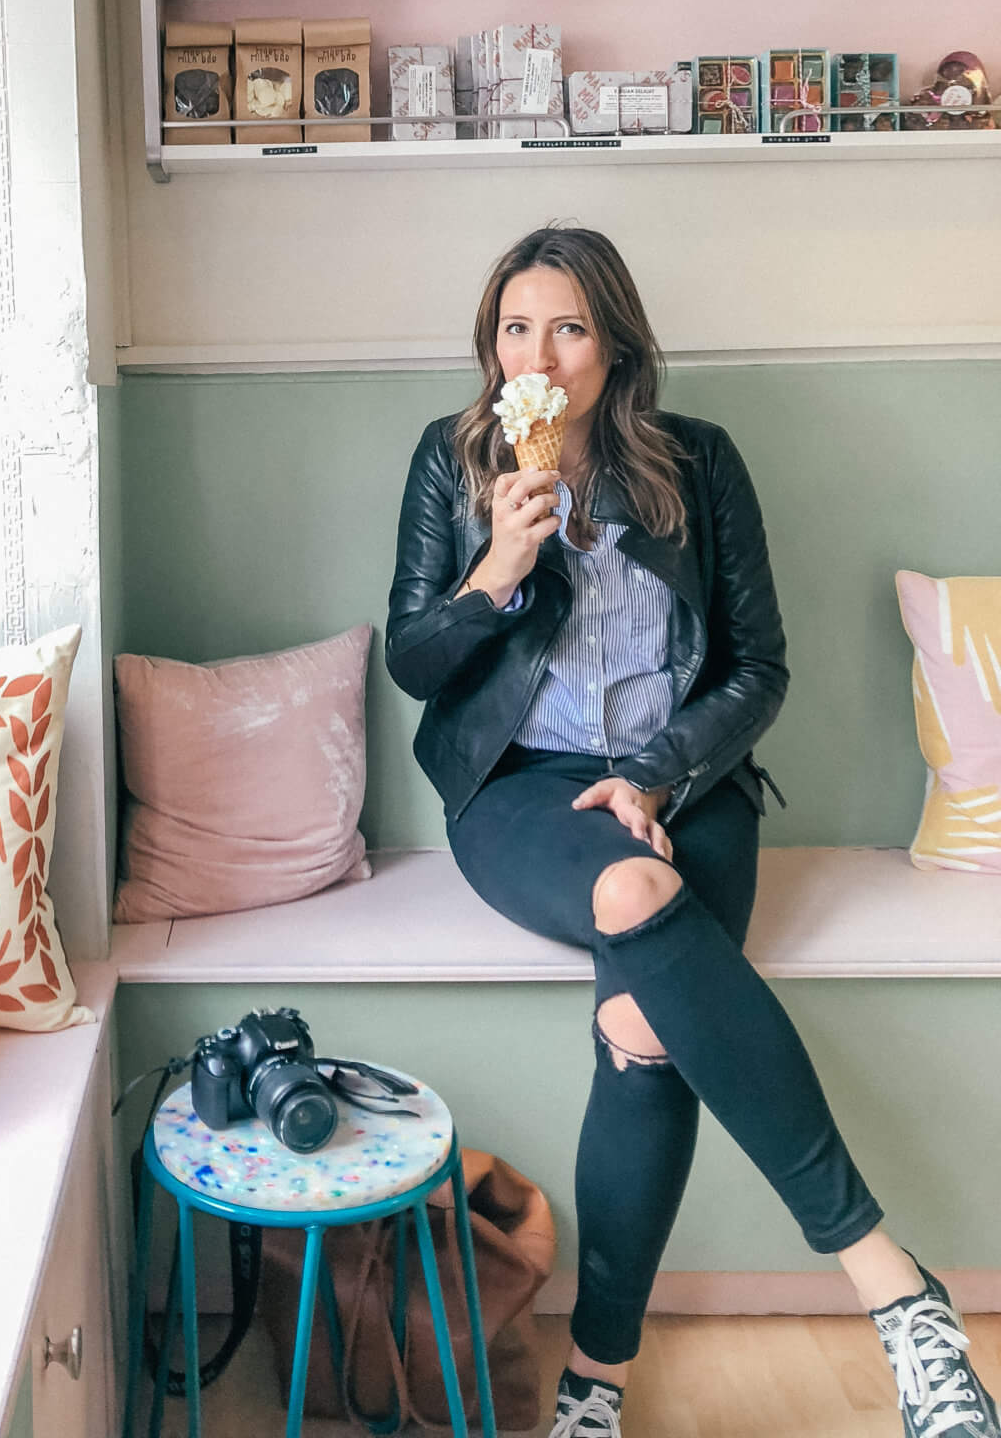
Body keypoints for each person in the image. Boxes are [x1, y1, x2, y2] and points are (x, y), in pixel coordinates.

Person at [386, 226, 999, 1438]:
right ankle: (893, 1285)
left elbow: (759, 667)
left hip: (689, 785)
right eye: (518, 329)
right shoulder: (453, 462)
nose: (542, 356)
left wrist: (661, 777)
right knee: (627, 899)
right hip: (519, 790)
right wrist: (498, 566)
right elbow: (414, 662)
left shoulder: (699, 465)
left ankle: (592, 1390)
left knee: (639, 1026)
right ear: (491, 346)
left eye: (568, 328)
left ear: (615, 343)